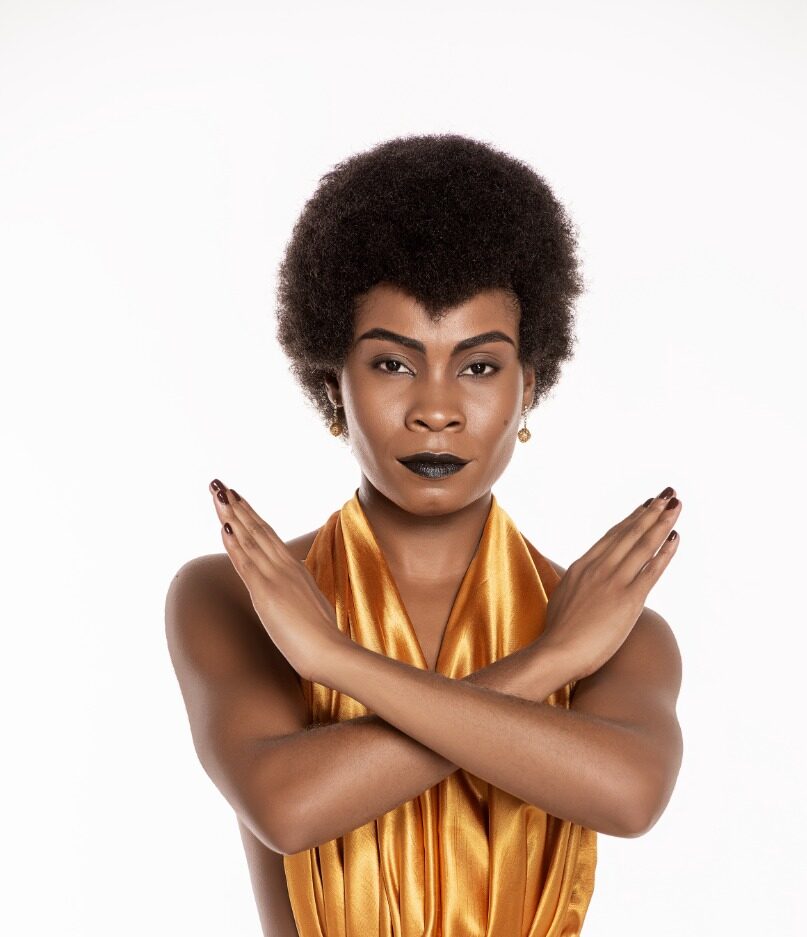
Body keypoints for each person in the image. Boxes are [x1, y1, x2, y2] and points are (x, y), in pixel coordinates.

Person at [165, 133, 684, 937]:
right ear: (330, 384)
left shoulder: (613, 626)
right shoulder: (232, 593)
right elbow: (288, 806)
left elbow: (629, 796)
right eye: (392, 364)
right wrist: (548, 664)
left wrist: (336, 662)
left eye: (477, 366)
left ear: (528, 387)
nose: (435, 410)